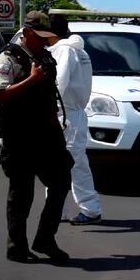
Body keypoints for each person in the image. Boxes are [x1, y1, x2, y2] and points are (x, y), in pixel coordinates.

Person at [0, 11, 74, 264]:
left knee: (61, 182)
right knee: (22, 194)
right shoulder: (9, 58)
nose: (46, 41)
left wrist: (60, 139)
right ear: (26, 33)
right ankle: (17, 246)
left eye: (48, 36)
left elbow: (49, 101)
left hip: (46, 135)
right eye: (40, 36)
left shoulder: (45, 58)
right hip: (19, 136)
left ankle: (45, 239)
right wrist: (31, 79)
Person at [48, 14, 102, 225]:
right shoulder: (79, 50)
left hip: (65, 113)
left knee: (72, 164)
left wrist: (50, 106)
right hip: (74, 113)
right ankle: (57, 208)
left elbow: (60, 80)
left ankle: (90, 210)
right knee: (59, 163)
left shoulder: (64, 50)